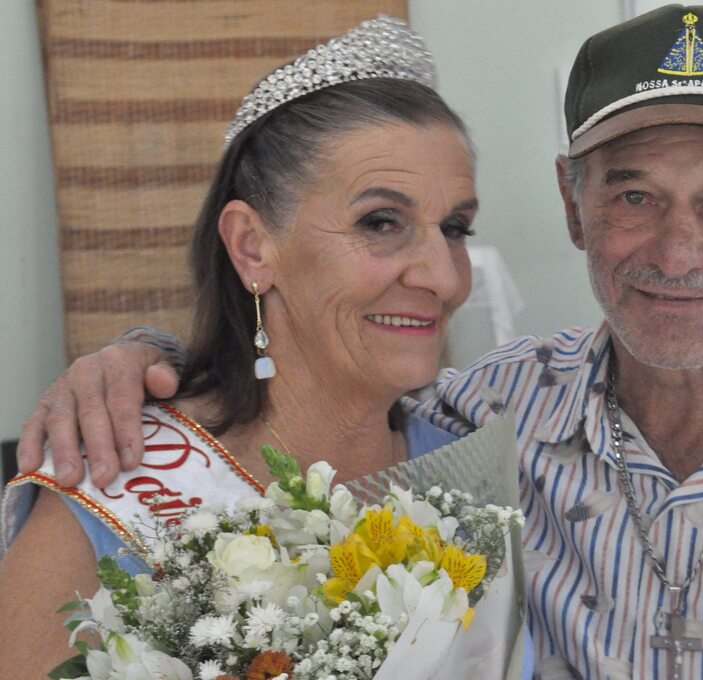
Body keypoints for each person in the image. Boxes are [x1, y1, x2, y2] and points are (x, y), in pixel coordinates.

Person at [13, 4, 703, 678]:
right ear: (573, 208)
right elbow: (293, 399)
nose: (679, 248)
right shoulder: (494, 416)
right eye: (632, 194)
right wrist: (140, 361)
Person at [0, 17, 494, 675]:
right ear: (253, 247)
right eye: (381, 222)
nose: (444, 278)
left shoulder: (479, 472)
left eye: (455, 227)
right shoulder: (115, 484)